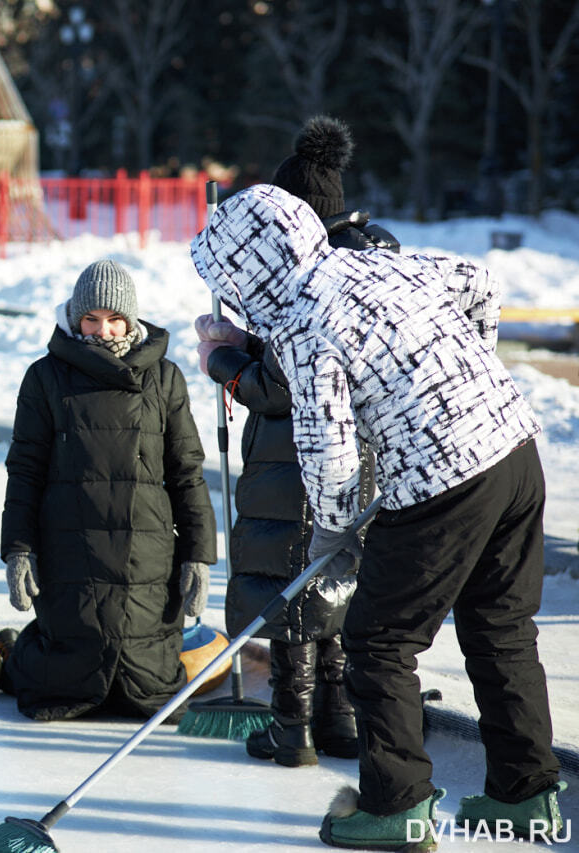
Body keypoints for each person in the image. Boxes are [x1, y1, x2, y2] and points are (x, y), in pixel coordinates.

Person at [191, 184, 564, 850]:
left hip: (442, 480)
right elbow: (480, 283)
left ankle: (397, 805)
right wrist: (463, 377)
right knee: (500, 623)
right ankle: (526, 792)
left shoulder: (306, 322)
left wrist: (332, 537)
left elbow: (330, 457)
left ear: (251, 272)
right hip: (513, 448)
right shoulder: (375, 263)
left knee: (379, 639)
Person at [193, 116, 399, 768]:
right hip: (361, 450)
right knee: (335, 578)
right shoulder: (374, 252)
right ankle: (336, 717)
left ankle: (292, 726)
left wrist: (221, 360)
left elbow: (281, 387)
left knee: (283, 581)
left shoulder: (307, 277)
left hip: (297, 448)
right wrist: (246, 345)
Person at [0, 259, 217, 722]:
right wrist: (18, 548)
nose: (103, 330)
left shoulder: (165, 377)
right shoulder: (46, 377)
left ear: (131, 320)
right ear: (75, 319)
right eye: (91, 319)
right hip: (70, 548)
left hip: (147, 551)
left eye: (115, 318)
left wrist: (199, 553)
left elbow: (187, 473)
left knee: (151, 684)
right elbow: (25, 471)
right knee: (62, 677)